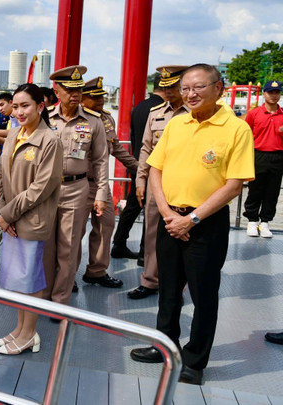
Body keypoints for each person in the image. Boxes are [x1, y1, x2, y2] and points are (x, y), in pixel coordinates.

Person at [130, 64, 254, 385]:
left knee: (203, 293)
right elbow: (155, 167)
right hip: (170, 219)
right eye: (186, 88)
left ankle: (195, 359)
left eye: (198, 87)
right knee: (167, 289)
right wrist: (168, 213)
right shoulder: (176, 123)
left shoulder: (236, 129)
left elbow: (234, 184)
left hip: (206, 224)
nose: (190, 94)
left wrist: (191, 219)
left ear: (219, 88)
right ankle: (165, 345)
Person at [0, 83, 63, 355]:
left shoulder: (50, 141)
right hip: (10, 219)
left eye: (26, 106)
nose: (19, 111)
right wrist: (0, 212)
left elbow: (41, 188)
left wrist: (7, 214)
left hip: (32, 220)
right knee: (16, 279)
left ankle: (29, 333)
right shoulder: (14, 135)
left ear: (40, 107)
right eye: (16, 106)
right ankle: (21, 329)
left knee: (30, 280)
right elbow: (0, 174)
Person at [43, 65, 111, 309]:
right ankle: (45, 295)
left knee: (69, 249)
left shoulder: (93, 122)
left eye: (79, 89)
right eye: (70, 89)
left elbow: (102, 161)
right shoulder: (44, 118)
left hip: (76, 189)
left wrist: (101, 195)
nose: (76, 94)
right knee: (46, 248)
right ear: (57, 90)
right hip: (46, 191)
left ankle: (59, 301)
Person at [128, 65, 190, 300]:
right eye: (166, 88)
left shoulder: (193, 114)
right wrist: (140, 180)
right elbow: (145, 148)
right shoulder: (156, 113)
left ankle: (177, 285)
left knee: (182, 234)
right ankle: (151, 280)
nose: (170, 92)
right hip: (157, 182)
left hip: (184, 183)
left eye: (174, 87)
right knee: (152, 231)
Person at [79, 76, 137, 289]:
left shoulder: (106, 119)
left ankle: (96, 271)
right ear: (82, 99)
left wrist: (139, 168)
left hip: (101, 184)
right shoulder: (76, 120)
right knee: (74, 233)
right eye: (95, 98)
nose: (101, 101)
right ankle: (65, 275)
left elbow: (116, 149)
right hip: (78, 184)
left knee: (105, 226)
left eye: (102, 97)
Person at [111, 76, 166, 263]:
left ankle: (119, 242)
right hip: (156, 168)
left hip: (138, 164)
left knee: (133, 205)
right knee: (152, 210)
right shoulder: (164, 110)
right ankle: (145, 251)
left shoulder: (139, 107)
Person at [243, 80, 283, 238]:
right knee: (255, 189)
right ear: (264, 94)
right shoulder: (254, 114)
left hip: (278, 156)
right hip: (258, 154)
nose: (274, 96)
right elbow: (246, 134)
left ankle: (265, 222)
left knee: (272, 191)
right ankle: (252, 221)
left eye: (277, 92)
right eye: (270, 92)